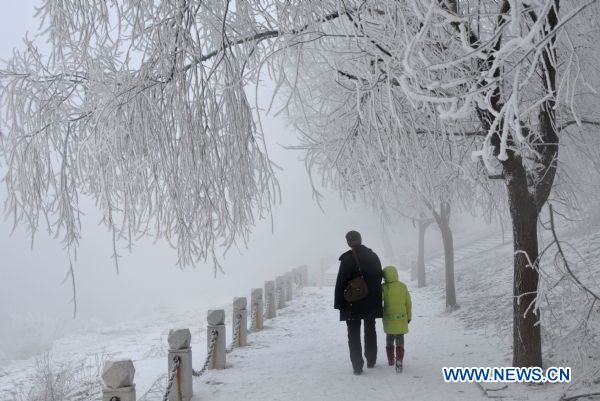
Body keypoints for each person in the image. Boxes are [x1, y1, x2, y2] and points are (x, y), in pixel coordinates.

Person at [334, 230, 383, 375]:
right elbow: (379, 276)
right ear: (361, 239)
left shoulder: (347, 259)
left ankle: (357, 366)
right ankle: (371, 359)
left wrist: (339, 304)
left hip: (352, 303)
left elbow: (340, 283)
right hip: (371, 300)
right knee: (370, 329)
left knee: (353, 334)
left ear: (348, 243)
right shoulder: (373, 256)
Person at [382, 265, 412, 373]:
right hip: (401, 319)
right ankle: (399, 360)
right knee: (400, 341)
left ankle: (390, 360)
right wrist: (409, 316)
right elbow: (408, 303)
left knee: (389, 339)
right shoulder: (403, 286)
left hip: (389, 319)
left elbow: (379, 301)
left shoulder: (384, 288)